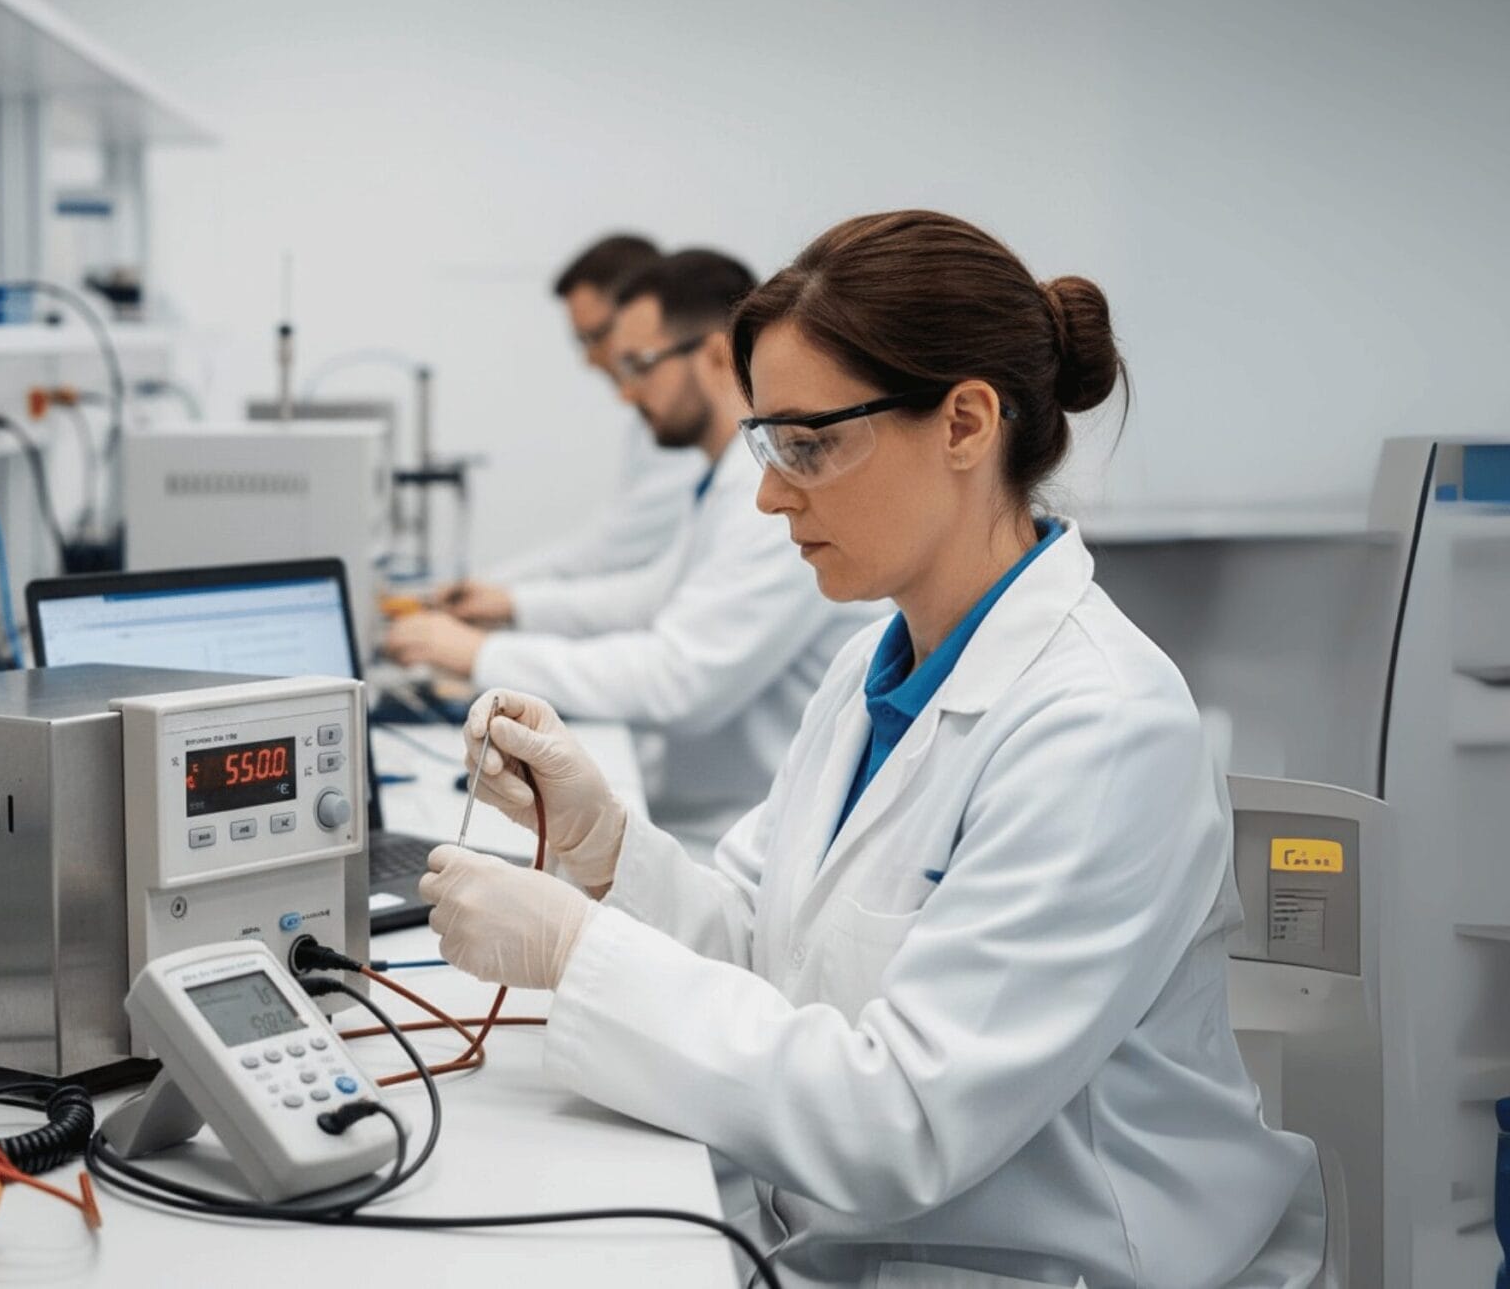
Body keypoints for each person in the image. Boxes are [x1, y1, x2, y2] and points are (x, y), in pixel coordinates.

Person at [419, 212, 1325, 1287]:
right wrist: (606, 845)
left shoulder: (1103, 726)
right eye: (766, 443)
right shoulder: (870, 673)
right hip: (865, 1246)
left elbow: (902, 1121)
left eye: (808, 445)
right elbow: (766, 951)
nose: (769, 492)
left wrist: (578, 952)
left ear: (965, 423)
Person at [386, 249, 874, 846]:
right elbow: (653, 595)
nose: (625, 392)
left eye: (640, 364)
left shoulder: (767, 497)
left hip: (741, 829)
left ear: (717, 354)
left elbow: (678, 679)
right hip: (708, 809)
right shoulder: (726, 478)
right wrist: (512, 608)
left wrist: (480, 655)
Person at [454, 233, 702, 591]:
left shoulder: (687, 434)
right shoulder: (651, 426)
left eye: (595, 336)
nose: (590, 359)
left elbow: (611, 550)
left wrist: (492, 595)